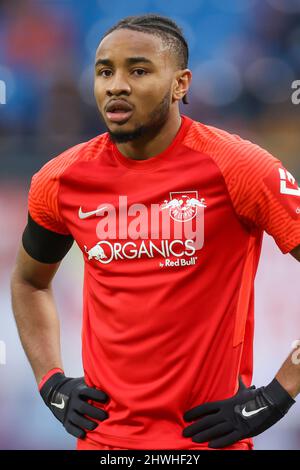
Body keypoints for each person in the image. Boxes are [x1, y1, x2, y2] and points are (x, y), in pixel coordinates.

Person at [10, 14, 300, 451]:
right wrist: (50, 381)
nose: (117, 85)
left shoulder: (241, 168)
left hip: (205, 445)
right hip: (104, 446)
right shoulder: (61, 179)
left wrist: (278, 395)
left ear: (181, 84)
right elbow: (29, 281)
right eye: (105, 71)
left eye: (139, 70)